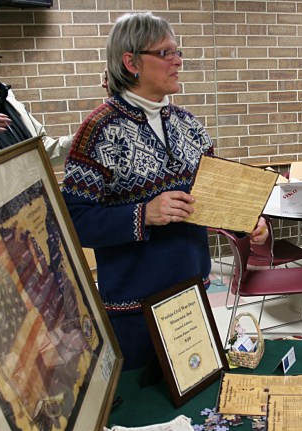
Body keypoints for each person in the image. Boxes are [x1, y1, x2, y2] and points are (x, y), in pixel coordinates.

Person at [61, 12, 268, 370]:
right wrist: (144, 214)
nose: (178, 62)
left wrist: (246, 220)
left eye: (178, 52)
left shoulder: (190, 125)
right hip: (134, 306)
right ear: (131, 62)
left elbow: (213, 199)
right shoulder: (99, 131)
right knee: (146, 412)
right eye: (166, 53)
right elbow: (74, 220)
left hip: (192, 296)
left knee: (195, 398)